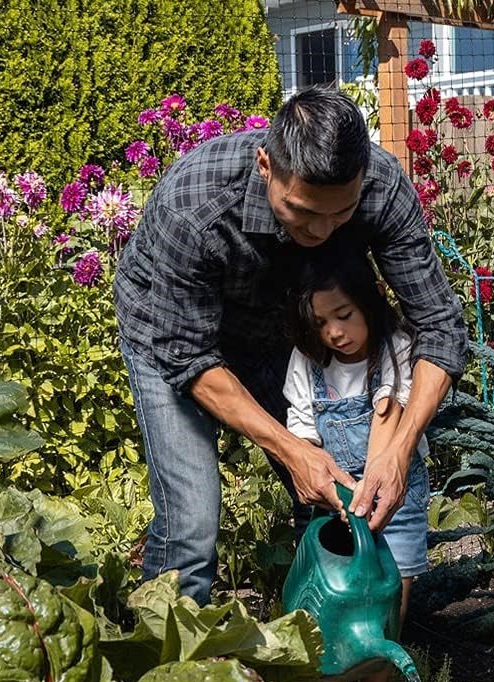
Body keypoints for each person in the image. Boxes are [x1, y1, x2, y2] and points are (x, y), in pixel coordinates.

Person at [114, 87, 467, 605]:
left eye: (340, 214)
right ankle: (168, 674)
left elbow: (440, 327)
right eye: (301, 211)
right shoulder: (195, 203)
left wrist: (398, 448)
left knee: (335, 497)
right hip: (173, 336)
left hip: (286, 333)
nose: (322, 231)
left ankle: (325, 654)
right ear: (265, 165)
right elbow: (188, 356)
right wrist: (290, 447)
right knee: (191, 525)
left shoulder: (382, 188)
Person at [284, 252, 428, 682]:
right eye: (322, 322)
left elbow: (391, 413)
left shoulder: (395, 348)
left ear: (367, 303)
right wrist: (331, 487)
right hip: (333, 502)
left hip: (394, 495)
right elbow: (301, 428)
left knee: (391, 599)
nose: (335, 333)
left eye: (343, 315)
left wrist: (372, 489)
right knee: (324, 606)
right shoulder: (307, 361)